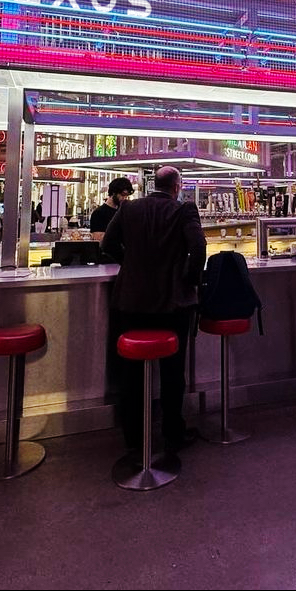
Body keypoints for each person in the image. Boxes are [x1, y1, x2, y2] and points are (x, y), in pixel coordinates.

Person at [101, 166, 206, 456]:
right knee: (173, 373)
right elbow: (198, 250)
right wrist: (187, 279)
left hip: (131, 300)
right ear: (177, 186)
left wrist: (132, 264)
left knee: (131, 373)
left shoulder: (130, 208)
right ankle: (173, 433)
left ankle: (134, 438)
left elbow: (107, 244)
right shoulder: (184, 210)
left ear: (152, 185)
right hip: (172, 302)